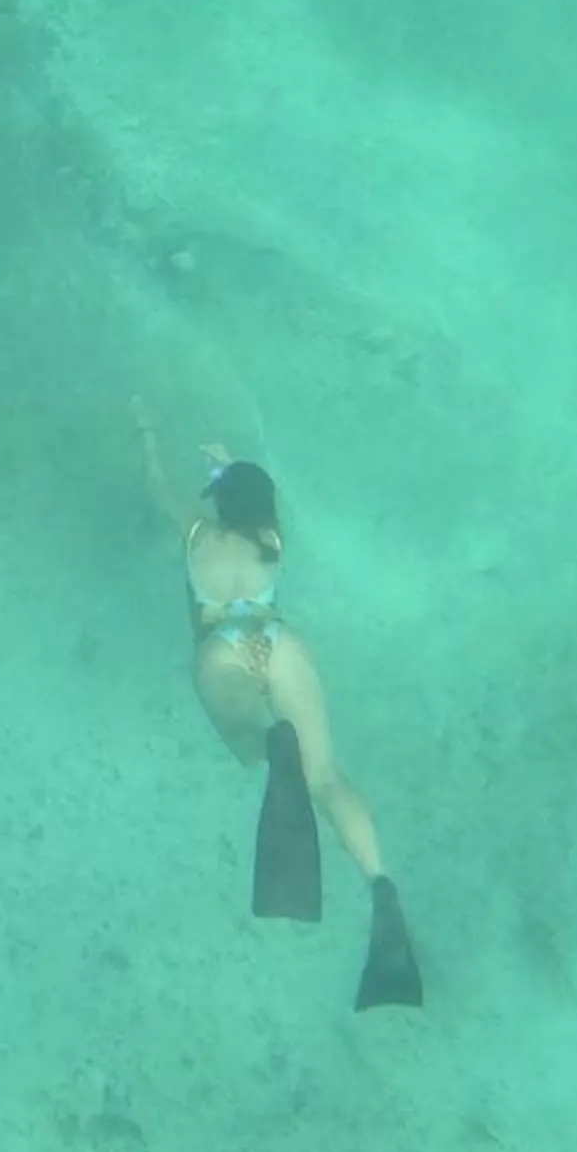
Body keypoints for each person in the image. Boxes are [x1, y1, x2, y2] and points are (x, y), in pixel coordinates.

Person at [132, 399, 422, 1011]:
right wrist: (228, 466)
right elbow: (254, 497)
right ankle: (380, 884)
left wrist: (149, 431)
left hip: (222, 650)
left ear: (218, 504)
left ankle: (270, 745)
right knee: (326, 777)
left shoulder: (199, 535)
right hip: (279, 641)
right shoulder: (271, 541)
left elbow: (157, 488)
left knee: (250, 740)